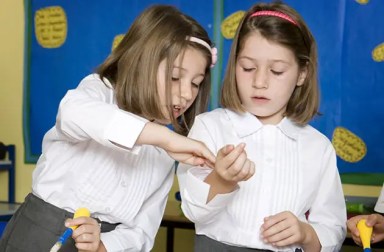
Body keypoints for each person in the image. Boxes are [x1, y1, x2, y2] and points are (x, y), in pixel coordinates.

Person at [0, 4, 217, 252]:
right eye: (175, 78)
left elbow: (142, 230)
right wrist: (163, 138)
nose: (187, 93)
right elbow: (72, 113)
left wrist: (103, 244)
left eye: (196, 83)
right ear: (141, 63)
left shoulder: (166, 153)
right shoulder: (100, 91)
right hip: (39, 234)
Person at [177, 1, 346, 251]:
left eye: (276, 71)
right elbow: (193, 211)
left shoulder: (318, 147)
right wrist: (221, 180)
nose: (259, 82)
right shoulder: (210, 127)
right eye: (248, 68)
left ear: (302, 74)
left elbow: (334, 228)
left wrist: (306, 233)